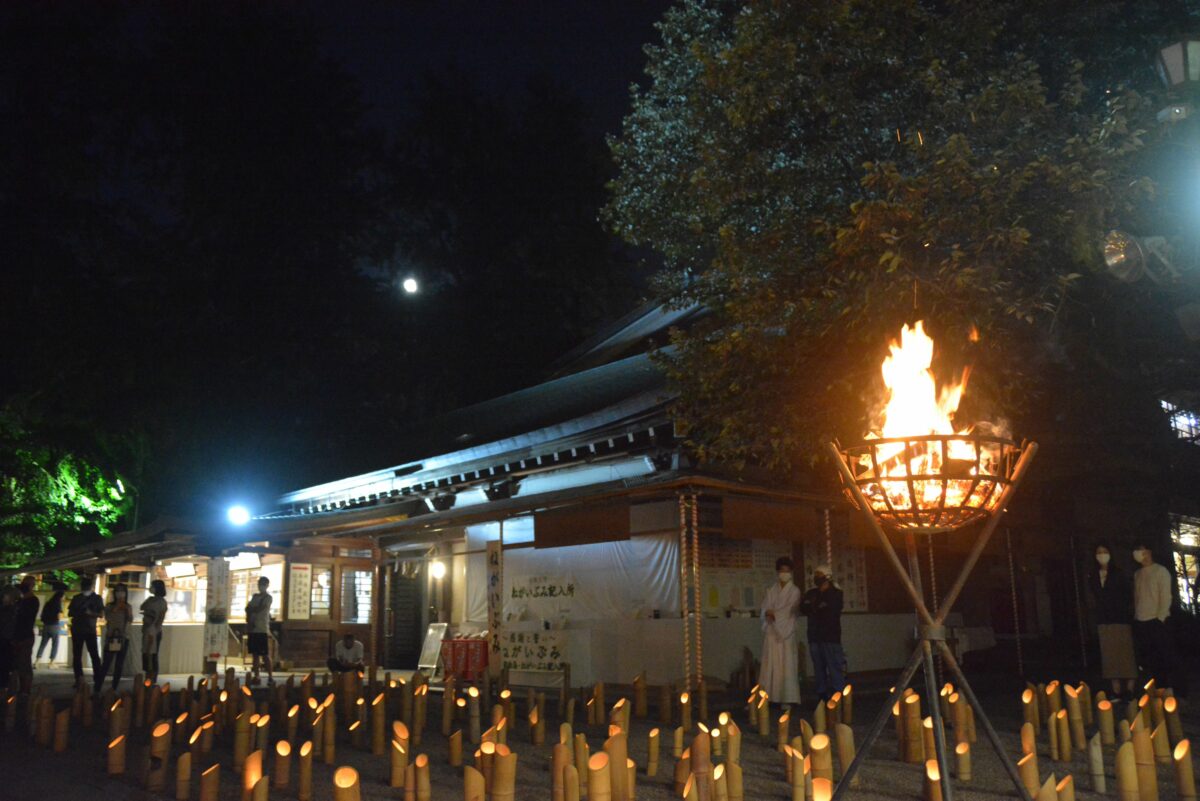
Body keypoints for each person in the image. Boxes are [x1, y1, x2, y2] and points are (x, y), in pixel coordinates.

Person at [1088, 544, 1136, 699]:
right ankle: (1115, 689)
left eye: (1105, 552)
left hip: (1120, 617)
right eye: (1099, 552)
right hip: (1104, 619)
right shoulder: (1094, 575)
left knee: (1125, 652)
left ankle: (1129, 689)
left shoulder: (1118, 573)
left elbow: (1128, 594)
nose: (1102, 555)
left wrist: (1122, 608)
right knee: (1109, 655)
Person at [1132, 543, 1176, 692]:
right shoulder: (1137, 574)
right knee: (1150, 659)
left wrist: (1161, 617)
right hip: (1141, 621)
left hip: (1157, 620)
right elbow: (1137, 597)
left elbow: (1165, 596)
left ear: (1149, 551)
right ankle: (1157, 689)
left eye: (1142, 549)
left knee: (1164, 657)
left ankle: (1172, 689)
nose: (1140, 553)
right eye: (1137, 550)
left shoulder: (1160, 571)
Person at [759, 556, 802, 707]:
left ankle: (787, 698)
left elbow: (789, 610)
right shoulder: (771, 590)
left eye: (787, 571)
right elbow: (765, 607)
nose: (784, 573)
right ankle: (768, 695)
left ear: (791, 572)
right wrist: (768, 613)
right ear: (777, 572)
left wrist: (774, 614)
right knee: (770, 663)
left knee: (786, 664)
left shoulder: (795, 591)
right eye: (782, 571)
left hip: (786, 632)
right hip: (772, 631)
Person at [801, 564, 845, 702]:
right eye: (815, 575)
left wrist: (814, 607)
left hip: (830, 637)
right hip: (814, 636)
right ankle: (822, 697)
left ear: (827, 577)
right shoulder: (812, 593)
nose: (816, 578)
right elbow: (804, 607)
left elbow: (828, 610)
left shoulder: (836, 593)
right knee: (819, 669)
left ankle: (838, 697)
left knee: (834, 667)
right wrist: (816, 607)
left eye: (819, 575)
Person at [95, 583, 133, 695]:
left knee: (119, 664)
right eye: (118, 591)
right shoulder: (109, 606)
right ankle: (97, 688)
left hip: (123, 637)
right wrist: (118, 606)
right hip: (112, 637)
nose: (120, 594)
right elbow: (108, 617)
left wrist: (126, 609)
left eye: (122, 591)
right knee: (106, 663)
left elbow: (130, 619)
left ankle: (114, 688)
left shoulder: (128, 606)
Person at [68, 575, 104, 688]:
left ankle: (80, 678)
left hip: (81, 629)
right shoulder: (96, 598)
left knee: (79, 655)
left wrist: (88, 613)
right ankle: (96, 678)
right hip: (88, 629)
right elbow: (101, 614)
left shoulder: (77, 598)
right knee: (92, 655)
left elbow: (70, 613)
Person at [12, 575, 40, 695]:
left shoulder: (31, 601)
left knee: (24, 664)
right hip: (21, 636)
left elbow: (24, 620)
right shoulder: (23, 601)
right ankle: (21, 689)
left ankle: (25, 689)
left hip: (25, 636)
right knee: (19, 664)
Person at [245, 576, 274, 685]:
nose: (260, 586)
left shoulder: (268, 597)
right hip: (253, 628)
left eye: (262, 584)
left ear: (266, 585)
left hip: (262, 628)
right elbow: (248, 608)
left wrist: (252, 609)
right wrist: (251, 610)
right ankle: (256, 676)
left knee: (265, 654)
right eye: (259, 584)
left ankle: (270, 676)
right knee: (255, 655)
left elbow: (258, 608)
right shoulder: (255, 596)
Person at [141, 579, 169, 683]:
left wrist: (155, 630)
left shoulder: (162, 602)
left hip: (154, 631)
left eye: (152, 586)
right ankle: (147, 676)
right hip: (147, 629)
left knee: (152, 654)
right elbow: (142, 607)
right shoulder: (150, 599)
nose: (150, 588)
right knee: (146, 653)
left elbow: (161, 618)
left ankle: (152, 678)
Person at [35, 582, 66, 667]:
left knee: (43, 644)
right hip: (54, 625)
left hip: (46, 626)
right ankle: (51, 662)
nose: (64, 598)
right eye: (63, 597)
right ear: (60, 597)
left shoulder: (48, 603)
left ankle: (37, 661)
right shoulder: (58, 604)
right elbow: (59, 615)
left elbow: (42, 615)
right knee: (55, 644)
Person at [0, 585, 20, 695]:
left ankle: (4, 688)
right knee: (6, 666)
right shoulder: (14, 610)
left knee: (5, 666)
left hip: (6, 640)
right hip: (7, 640)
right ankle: (5, 688)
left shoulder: (9, 610)